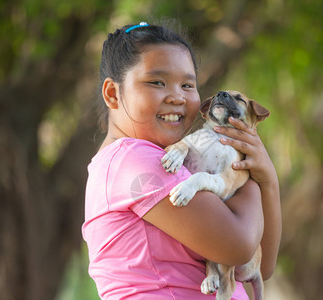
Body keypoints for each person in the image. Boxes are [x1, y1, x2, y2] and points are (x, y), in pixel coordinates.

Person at [82, 20, 282, 300]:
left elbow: (261, 264)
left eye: (188, 85)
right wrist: (246, 168)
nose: (177, 96)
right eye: (157, 82)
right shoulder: (135, 161)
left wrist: (266, 177)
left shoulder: (172, 161)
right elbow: (240, 244)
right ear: (113, 94)